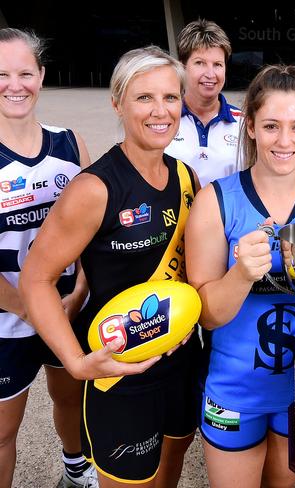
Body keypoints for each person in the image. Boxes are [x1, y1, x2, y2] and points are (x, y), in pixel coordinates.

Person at [18, 45, 201, 487]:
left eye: (171, 97)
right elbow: (36, 279)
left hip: (181, 361)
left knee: (171, 463)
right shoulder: (94, 188)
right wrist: (77, 363)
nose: (161, 111)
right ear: (117, 102)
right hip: (118, 372)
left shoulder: (186, 177)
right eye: (144, 98)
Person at [185, 64, 295, 488]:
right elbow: (205, 316)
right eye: (271, 126)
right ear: (251, 128)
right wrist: (241, 275)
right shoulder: (215, 202)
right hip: (233, 389)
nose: (284, 141)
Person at [0, 28, 96, 488]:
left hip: (67, 305)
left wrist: (80, 290)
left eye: (24, 72)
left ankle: (76, 470)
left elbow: (95, 228)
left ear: (40, 75)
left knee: (69, 399)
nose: (14, 84)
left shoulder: (69, 144)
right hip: (8, 315)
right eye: (1, 74)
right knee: (2, 431)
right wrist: (27, 307)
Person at [165, 18, 242, 186]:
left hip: (228, 212)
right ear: (182, 66)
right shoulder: (163, 118)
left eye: (217, 64)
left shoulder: (245, 123)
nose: (210, 73)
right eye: (200, 63)